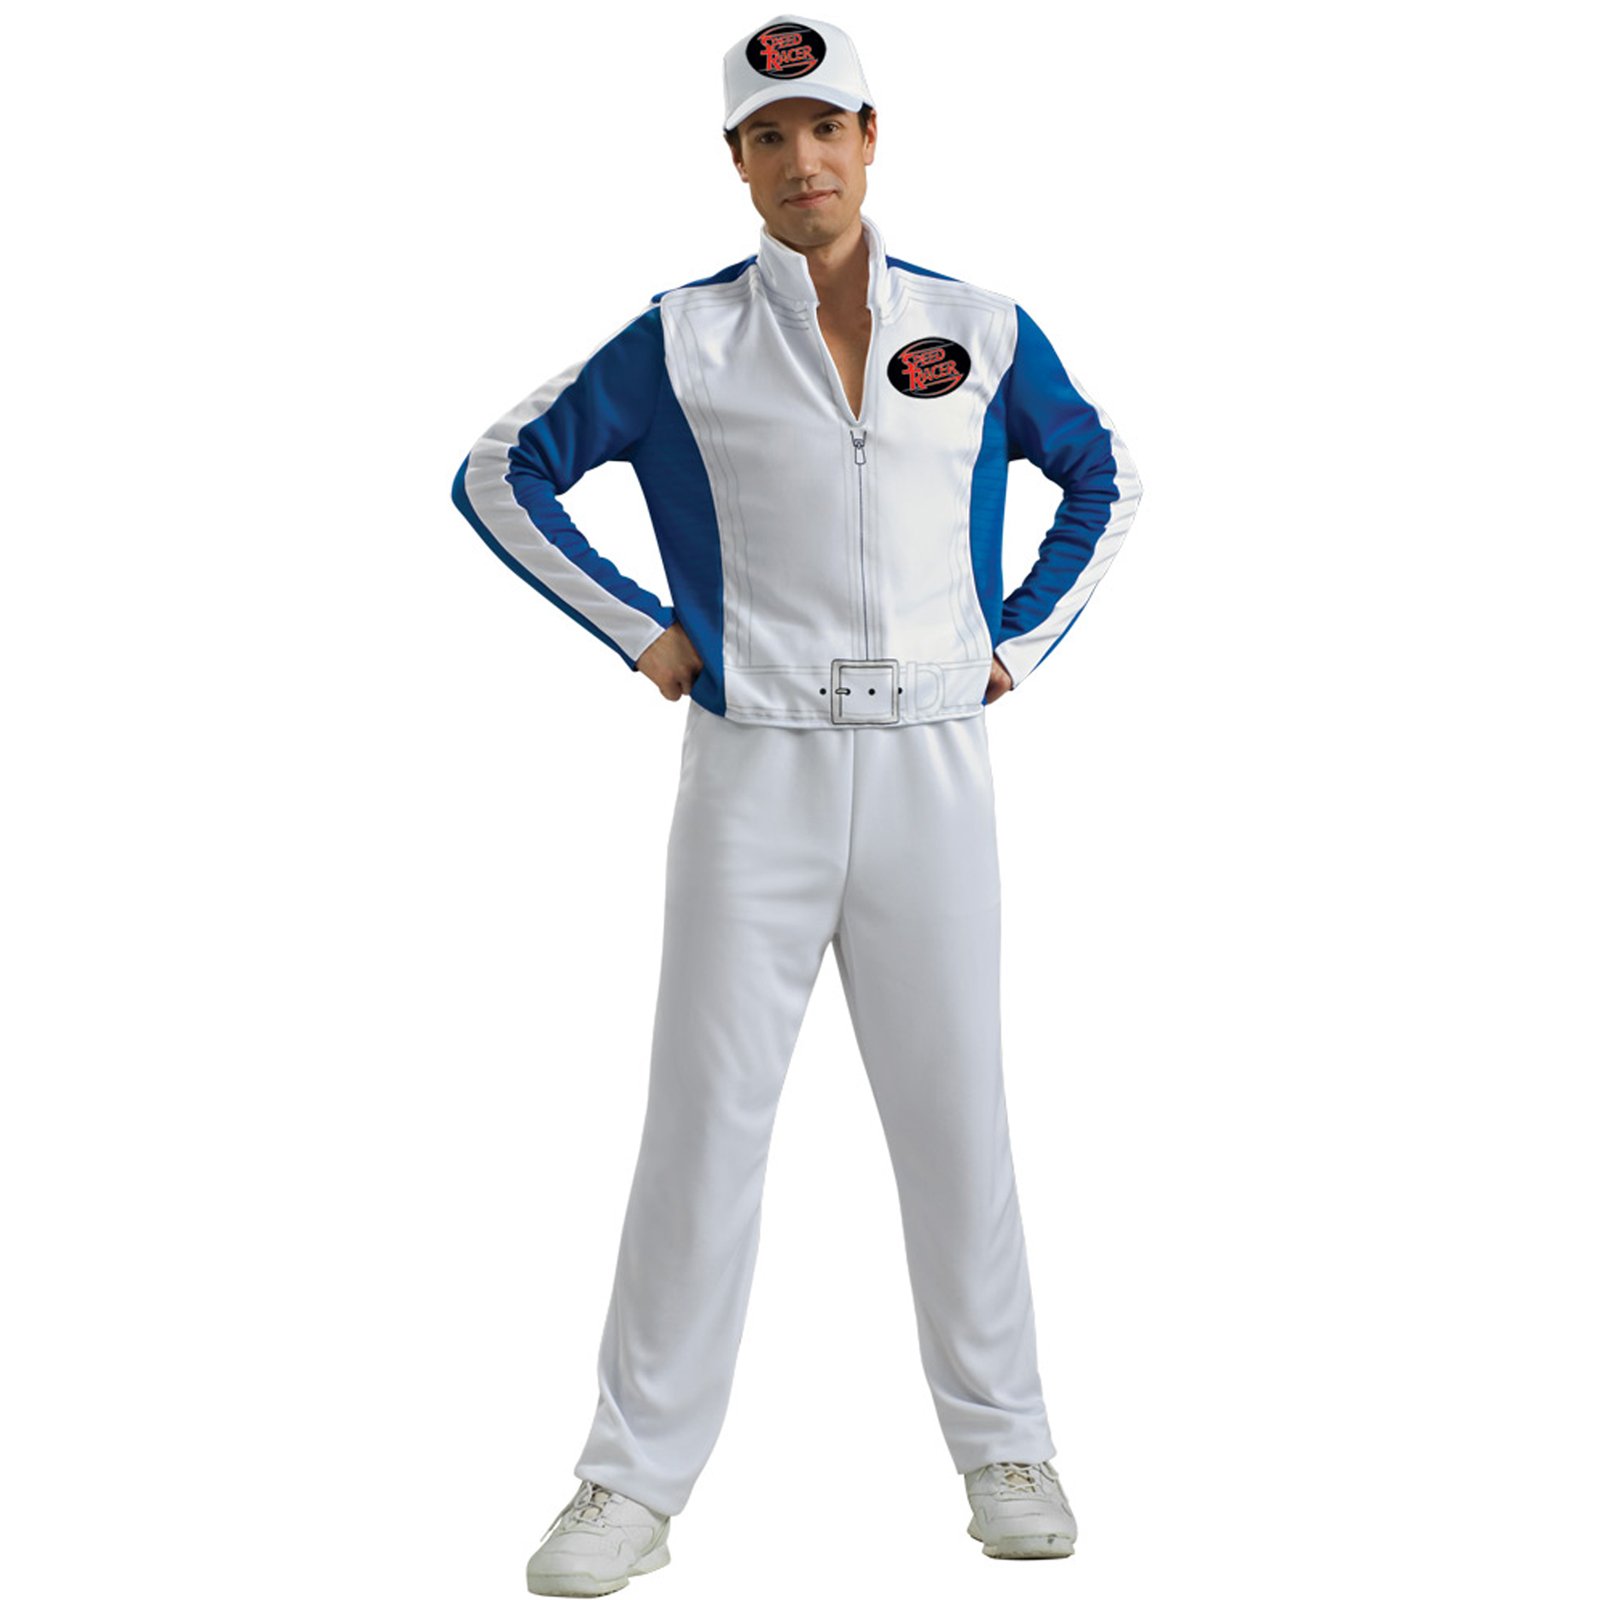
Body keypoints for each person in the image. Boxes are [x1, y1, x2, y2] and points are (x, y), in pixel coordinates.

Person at [450, 14, 1142, 1594]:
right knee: (703, 1125)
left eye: (827, 127)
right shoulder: (682, 339)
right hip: (752, 767)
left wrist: (1017, 643)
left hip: (931, 768)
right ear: (737, 161)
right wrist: (645, 632)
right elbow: (500, 472)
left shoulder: (979, 327)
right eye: (770, 137)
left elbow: (1104, 474)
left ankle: (1007, 1446)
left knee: (956, 1112)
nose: (803, 159)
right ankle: (629, 1484)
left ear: (871, 138)